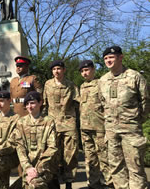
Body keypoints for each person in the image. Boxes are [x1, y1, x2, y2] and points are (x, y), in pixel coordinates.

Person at [98, 46, 149, 189]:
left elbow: (145, 101)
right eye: (106, 58)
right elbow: (102, 103)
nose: (108, 61)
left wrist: (136, 121)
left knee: (135, 167)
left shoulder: (134, 76)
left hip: (131, 130)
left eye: (111, 57)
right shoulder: (102, 80)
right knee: (116, 167)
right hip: (111, 131)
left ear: (121, 57)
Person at [43, 60, 79, 189]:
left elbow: (78, 103)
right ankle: (54, 182)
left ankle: (69, 182)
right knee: (53, 154)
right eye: (54, 69)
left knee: (70, 154)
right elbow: (44, 105)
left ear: (64, 70)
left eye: (59, 68)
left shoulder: (71, 85)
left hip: (68, 123)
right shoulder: (47, 84)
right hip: (53, 124)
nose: (56, 71)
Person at [78, 60, 113, 189]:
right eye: (82, 71)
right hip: (85, 128)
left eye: (86, 70)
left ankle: (109, 183)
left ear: (93, 69)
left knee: (104, 157)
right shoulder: (81, 86)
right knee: (90, 158)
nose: (84, 73)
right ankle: (93, 183)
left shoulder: (101, 84)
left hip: (99, 127)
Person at [14, 91, 58, 189]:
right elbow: (20, 147)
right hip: (27, 168)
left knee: (35, 185)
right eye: (27, 104)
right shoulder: (21, 123)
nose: (30, 106)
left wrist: (38, 168)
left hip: (45, 168)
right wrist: (28, 168)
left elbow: (52, 147)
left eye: (32, 103)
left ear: (40, 103)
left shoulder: (48, 122)